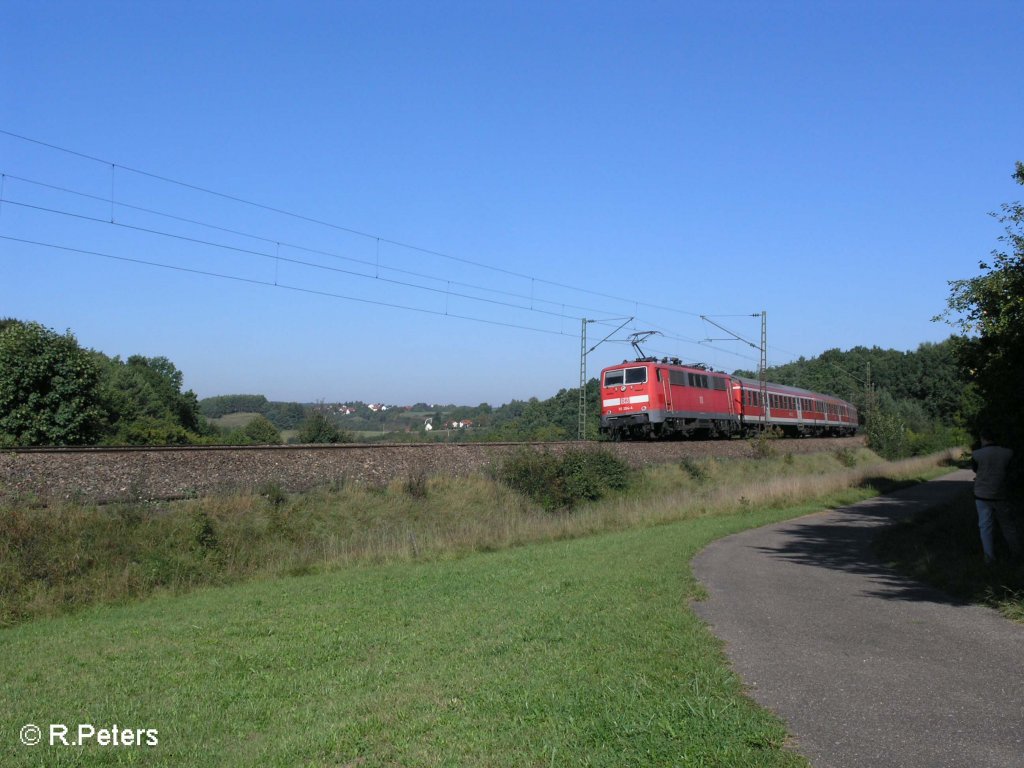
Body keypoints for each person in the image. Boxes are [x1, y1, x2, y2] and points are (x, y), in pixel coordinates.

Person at [971, 431, 1021, 563]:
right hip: (1001, 494)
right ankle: (1016, 553)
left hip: (982, 494)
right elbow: (1010, 471)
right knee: (1008, 525)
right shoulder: (1008, 453)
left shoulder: (977, 454)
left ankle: (989, 557)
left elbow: (976, 470)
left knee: (985, 526)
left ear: (983, 439)